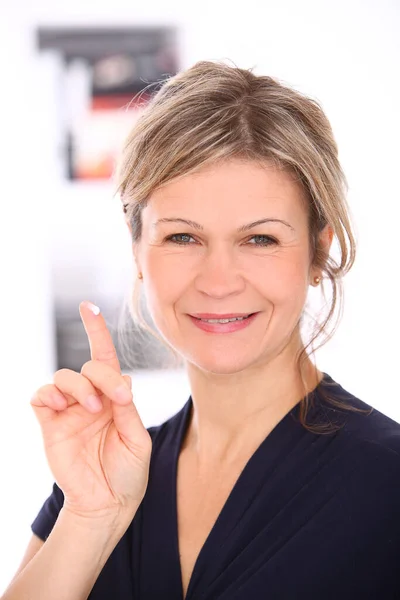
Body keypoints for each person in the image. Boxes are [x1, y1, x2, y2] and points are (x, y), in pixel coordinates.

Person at [3, 60, 400, 600]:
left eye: (259, 239)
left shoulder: (387, 482)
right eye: (183, 238)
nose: (218, 282)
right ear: (138, 249)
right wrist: (92, 518)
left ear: (317, 250)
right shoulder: (102, 476)